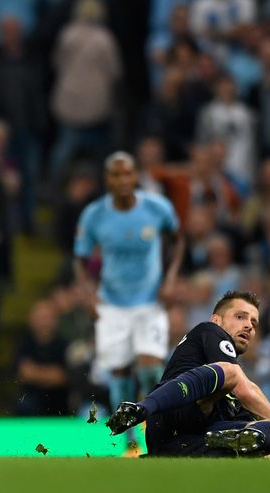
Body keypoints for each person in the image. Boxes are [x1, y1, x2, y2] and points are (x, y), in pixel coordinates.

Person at [106, 291, 270, 458]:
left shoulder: (230, 394)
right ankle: (141, 408)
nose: (248, 325)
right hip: (169, 419)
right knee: (233, 375)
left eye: (254, 322)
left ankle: (245, 441)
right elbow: (243, 388)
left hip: (191, 443)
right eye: (240, 317)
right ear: (217, 320)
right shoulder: (208, 332)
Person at [74, 151, 184, 455]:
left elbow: (177, 240)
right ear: (107, 179)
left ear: (135, 176)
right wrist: (89, 294)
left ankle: (157, 430)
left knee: (151, 367)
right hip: (112, 305)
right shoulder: (95, 215)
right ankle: (130, 441)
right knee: (120, 372)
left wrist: (170, 278)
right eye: (116, 175)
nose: (123, 180)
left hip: (149, 302)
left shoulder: (157, 207)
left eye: (127, 174)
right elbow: (80, 259)